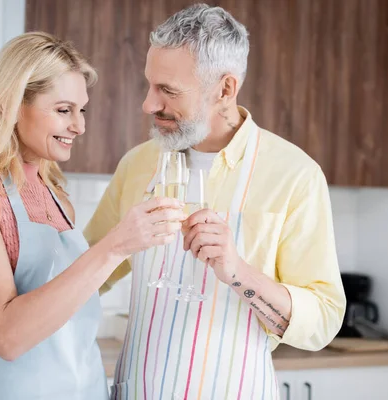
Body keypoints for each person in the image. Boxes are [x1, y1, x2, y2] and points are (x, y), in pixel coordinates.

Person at [84, 4, 346, 399]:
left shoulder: (294, 175)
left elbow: (323, 318)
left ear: (225, 89)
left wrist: (237, 269)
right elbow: (88, 274)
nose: (148, 104)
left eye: (167, 91)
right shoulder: (139, 164)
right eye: (150, 85)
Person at [0, 32, 185, 400]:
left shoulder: (57, 197)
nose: (79, 126)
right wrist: (115, 246)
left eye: (81, 110)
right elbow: (6, 337)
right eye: (63, 110)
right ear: (14, 104)